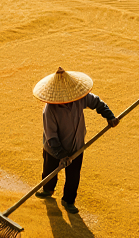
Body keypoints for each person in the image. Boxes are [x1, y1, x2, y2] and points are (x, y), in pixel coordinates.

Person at [32, 67, 118, 214]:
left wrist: (110, 116)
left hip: (76, 147)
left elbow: (98, 103)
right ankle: (47, 189)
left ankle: (68, 200)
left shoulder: (79, 99)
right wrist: (62, 155)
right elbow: (52, 137)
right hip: (53, 149)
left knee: (73, 176)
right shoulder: (49, 110)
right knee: (49, 171)